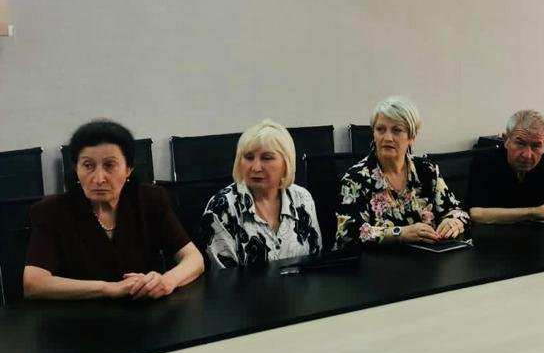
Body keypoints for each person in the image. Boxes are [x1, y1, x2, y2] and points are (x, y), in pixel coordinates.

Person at [23, 119, 204, 300]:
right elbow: (34, 283)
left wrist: (167, 281)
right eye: (88, 165)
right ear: (76, 169)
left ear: (128, 169)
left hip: (145, 309)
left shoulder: (150, 199)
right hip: (78, 313)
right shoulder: (52, 211)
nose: (99, 178)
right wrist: (109, 288)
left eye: (109, 165)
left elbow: (194, 258)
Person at [335, 97, 470, 250]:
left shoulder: (427, 170)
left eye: (397, 130)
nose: (387, 137)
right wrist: (400, 233)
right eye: (380, 129)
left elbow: (458, 211)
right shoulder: (356, 178)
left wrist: (453, 222)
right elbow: (347, 234)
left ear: (412, 137)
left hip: (424, 260)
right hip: (374, 261)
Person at [201, 120, 321, 267]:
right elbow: (225, 277)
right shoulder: (222, 208)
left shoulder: (302, 198)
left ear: (286, 163)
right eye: (248, 157)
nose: (256, 167)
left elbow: (316, 262)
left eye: (267, 158)